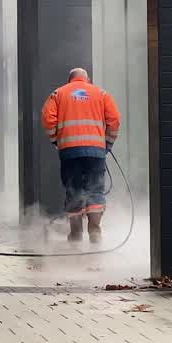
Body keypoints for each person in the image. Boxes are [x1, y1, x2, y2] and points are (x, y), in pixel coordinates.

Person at [42, 68, 121, 243]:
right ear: (87, 79)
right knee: (95, 190)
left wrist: (56, 141)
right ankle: (95, 232)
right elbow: (114, 119)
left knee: (74, 189)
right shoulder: (101, 94)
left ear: (70, 79)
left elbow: (48, 119)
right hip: (96, 151)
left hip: (69, 151)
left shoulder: (58, 94)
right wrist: (108, 143)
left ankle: (76, 235)